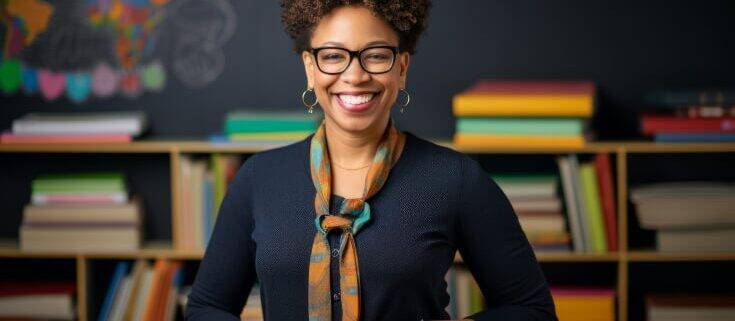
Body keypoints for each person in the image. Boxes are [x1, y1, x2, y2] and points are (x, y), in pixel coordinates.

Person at [185, 1, 557, 320]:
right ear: (310, 69)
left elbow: (532, 309)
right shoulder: (259, 178)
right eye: (333, 56)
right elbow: (206, 306)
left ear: (402, 67)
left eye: (376, 55)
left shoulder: (454, 179)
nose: (355, 75)